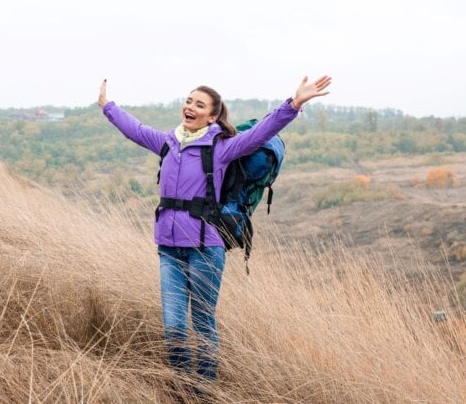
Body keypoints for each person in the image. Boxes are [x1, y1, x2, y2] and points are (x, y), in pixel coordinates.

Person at [97, 76, 331, 386]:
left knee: (203, 322)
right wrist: (107, 106)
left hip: (205, 248)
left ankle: (203, 391)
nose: (190, 106)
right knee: (174, 328)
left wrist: (294, 104)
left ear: (213, 116)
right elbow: (135, 130)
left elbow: (262, 132)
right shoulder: (168, 142)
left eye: (199, 104)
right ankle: (181, 388)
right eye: (189, 100)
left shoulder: (221, 148)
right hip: (169, 249)